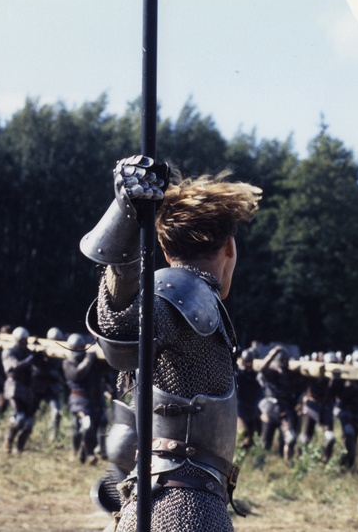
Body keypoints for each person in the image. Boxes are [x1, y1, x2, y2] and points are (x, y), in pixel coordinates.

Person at [83, 156, 261, 531]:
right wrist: (127, 218)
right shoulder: (181, 298)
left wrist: (131, 221)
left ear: (165, 249)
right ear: (229, 248)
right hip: (183, 504)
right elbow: (122, 328)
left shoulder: (189, 304)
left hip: (170, 496)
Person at [63, 333, 108, 463]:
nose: (80, 349)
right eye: (77, 347)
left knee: (94, 427)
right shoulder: (68, 362)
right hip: (78, 400)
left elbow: (106, 370)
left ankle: (85, 453)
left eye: (82, 347)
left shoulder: (93, 361)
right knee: (86, 425)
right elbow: (77, 375)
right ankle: (83, 453)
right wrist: (89, 359)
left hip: (93, 400)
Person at [331, 349, 358, 469]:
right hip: (344, 411)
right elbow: (334, 392)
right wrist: (335, 380)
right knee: (348, 435)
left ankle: (348, 466)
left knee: (353, 441)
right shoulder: (345, 373)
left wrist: (354, 385)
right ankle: (340, 464)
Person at [2, 326, 37, 454]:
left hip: (27, 388)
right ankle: (9, 440)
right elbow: (14, 366)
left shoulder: (28, 352)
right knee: (19, 418)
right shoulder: (8, 352)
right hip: (14, 386)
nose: (24, 342)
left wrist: (38, 355)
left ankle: (20, 448)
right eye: (21, 340)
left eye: (25, 340)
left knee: (29, 423)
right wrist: (30, 359)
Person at [235, 349, 263, 450]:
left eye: (250, 362)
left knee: (254, 436)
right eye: (246, 362)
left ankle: (248, 456)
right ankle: (238, 453)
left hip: (252, 409)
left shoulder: (256, 375)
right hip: (240, 409)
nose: (248, 364)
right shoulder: (238, 374)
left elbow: (260, 391)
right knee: (243, 432)